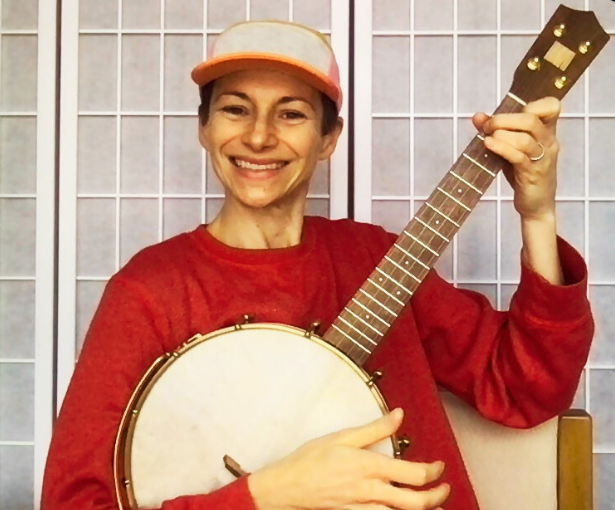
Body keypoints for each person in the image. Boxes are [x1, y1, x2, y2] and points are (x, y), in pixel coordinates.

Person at [41, 20, 593, 510]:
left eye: (292, 113)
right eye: (235, 108)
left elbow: (528, 389)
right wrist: (266, 495)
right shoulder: (148, 290)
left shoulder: (378, 261)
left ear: (329, 138)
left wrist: (537, 215)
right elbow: (73, 500)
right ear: (203, 128)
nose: (259, 136)